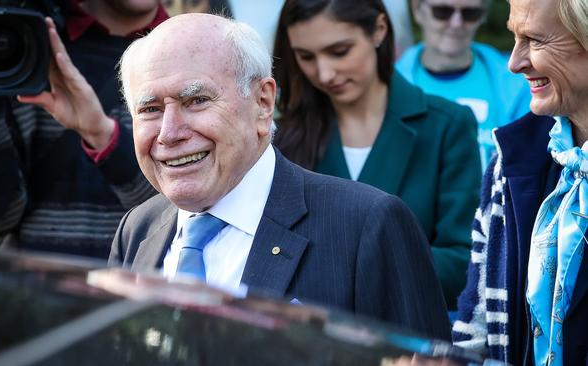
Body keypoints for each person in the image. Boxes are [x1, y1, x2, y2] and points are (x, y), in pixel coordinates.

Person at [110, 12, 451, 339]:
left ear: (262, 102)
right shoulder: (137, 230)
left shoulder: (367, 226)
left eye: (196, 100)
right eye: (150, 109)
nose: (169, 133)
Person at [272, 0, 481, 311]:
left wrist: (359, 259)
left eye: (339, 51)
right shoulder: (283, 136)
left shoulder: (447, 126)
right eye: (306, 57)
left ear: (379, 30)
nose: (325, 73)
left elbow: (466, 266)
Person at [0, 0, 166, 258]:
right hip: (33, 294)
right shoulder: (25, 42)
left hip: (139, 295)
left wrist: (103, 135)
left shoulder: (190, 54)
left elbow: (190, 209)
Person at [452, 0, 588, 364]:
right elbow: (476, 333)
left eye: (535, 40)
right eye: (515, 37)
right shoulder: (510, 160)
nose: (514, 62)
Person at [396, 0, 530, 169]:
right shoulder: (389, 85)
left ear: (483, 16)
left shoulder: (518, 86)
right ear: (417, 11)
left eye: (470, 14)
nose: (456, 23)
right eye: (442, 11)